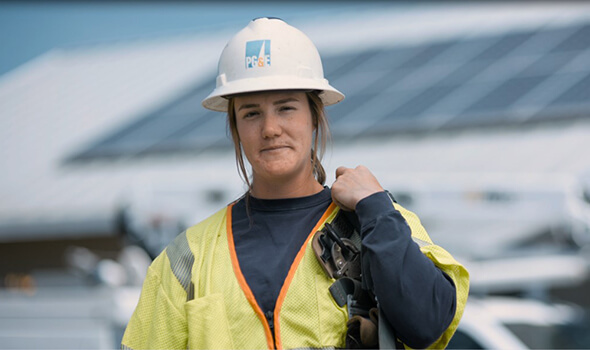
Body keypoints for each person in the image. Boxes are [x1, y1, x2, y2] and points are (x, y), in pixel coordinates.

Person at [121, 17, 469, 350]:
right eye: (251, 113)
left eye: (286, 108)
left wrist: (377, 209)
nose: (270, 128)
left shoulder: (378, 222)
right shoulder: (186, 258)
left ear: (315, 117)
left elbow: (428, 324)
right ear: (235, 128)